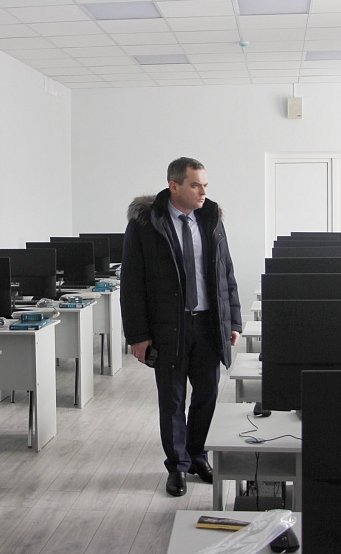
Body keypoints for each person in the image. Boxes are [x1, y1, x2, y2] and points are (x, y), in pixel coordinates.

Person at [121, 156, 242, 497]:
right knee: (172, 401)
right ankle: (177, 466)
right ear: (174, 186)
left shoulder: (211, 220)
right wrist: (138, 335)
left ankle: (197, 456)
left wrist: (232, 320)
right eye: (195, 185)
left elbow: (226, 274)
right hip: (168, 328)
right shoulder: (146, 225)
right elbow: (132, 284)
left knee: (207, 396)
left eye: (205, 185)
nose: (203, 192)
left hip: (207, 325)